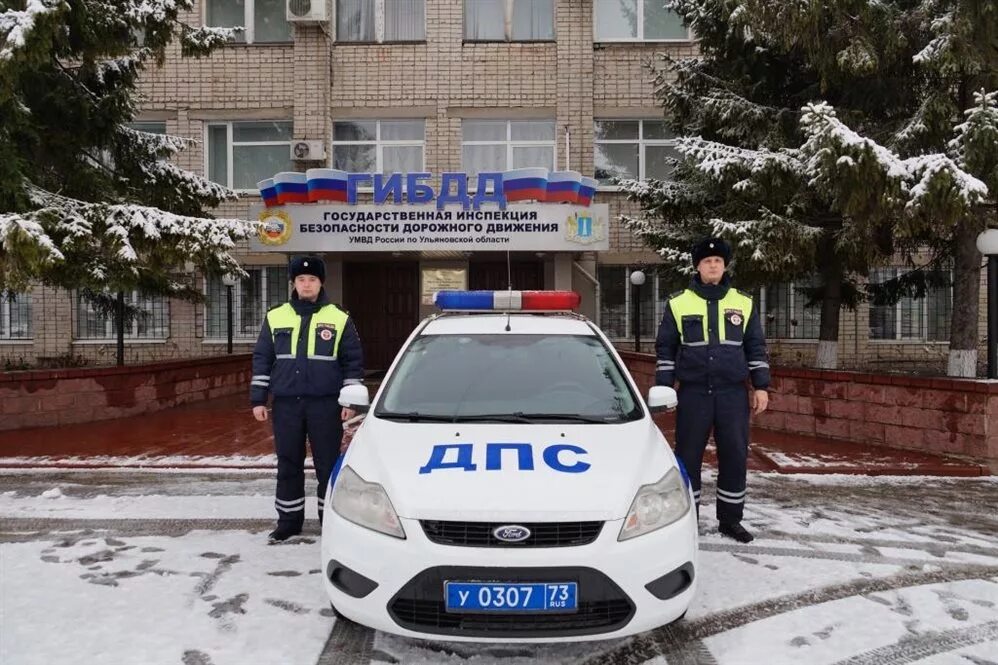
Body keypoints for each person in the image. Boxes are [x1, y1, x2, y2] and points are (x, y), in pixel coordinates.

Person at [654, 237, 770, 543]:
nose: (713, 265)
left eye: (718, 261)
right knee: (688, 456)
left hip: (732, 394)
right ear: (697, 266)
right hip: (693, 394)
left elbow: (755, 346)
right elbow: (666, 349)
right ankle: (687, 520)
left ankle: (730, 520)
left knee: (734, 456)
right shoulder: (679, 303)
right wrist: (664, 390)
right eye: (707, 261)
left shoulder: (743, 302)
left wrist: (761, 387)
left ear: (725, 265)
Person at [250, 256, 364, 542]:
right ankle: (288, 521)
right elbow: (263, 359)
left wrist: (350, 402)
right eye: (301, 279)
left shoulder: (339, 318)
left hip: (325, 405)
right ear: (293, 283)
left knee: (327, 464)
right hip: (287, 403)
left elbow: (353, 363)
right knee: (288, 462)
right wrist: (258, 399)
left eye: (312, 279)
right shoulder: (276, 316)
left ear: (321, 282)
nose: (306, 284)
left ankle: (331, 521)